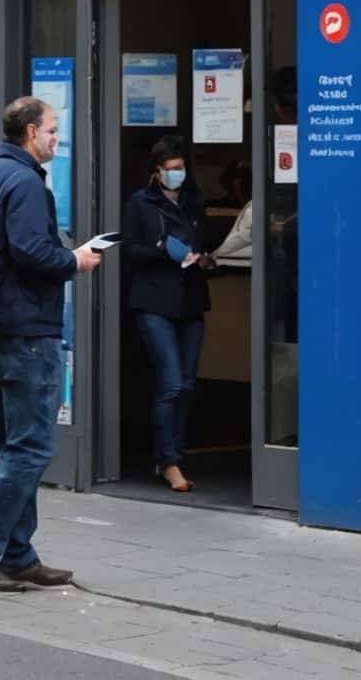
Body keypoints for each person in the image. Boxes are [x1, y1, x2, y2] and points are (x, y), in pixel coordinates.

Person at [0, 97, 101, 593]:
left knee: (12, 446)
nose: (58, 139)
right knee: (31, 448)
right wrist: (75, 259)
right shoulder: (26, 183)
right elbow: (29, 249)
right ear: (31, 132)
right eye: (53, 131)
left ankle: (18, 554)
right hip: (27, 331)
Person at [120, 137, 212, 493]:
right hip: (155, 301)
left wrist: (202, 258)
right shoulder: (141, 203)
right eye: (171, 169)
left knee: (186, 385)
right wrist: (163, 251)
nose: (177, 174)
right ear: (157, 173)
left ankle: (173, 454)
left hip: (191, 300)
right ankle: (168, 461)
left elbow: (203, 242)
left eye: (181, 168)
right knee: (171, 383)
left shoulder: (194, 202)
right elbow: (129, 250)